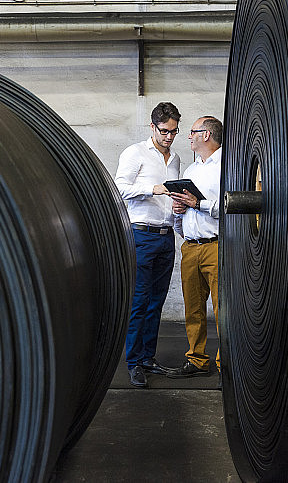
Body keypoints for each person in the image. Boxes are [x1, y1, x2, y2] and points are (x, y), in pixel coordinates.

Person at [114, 102, 181, 388]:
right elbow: (119, 188)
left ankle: (147, 358)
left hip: (166, 236)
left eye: (174, 131)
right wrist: (151, 188)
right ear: (152, 127)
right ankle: (133, 363)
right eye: (164, 131)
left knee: (156, 302)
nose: (169, 137)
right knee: (139, 302)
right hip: (141, 235)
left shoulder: (175, 158)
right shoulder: (135, 153)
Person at [167, 116, 223, 381]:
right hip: (190, 247)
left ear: (206, 135)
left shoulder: (227, 167)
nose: (188, 136)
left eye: (192, 132)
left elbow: (232, 207)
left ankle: (226, 365)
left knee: (224, 310)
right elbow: (184, 209)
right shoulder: (191, 170)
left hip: (217, 246)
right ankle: (197, 360)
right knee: (193, 308)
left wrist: (197, 203)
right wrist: (178, 210)